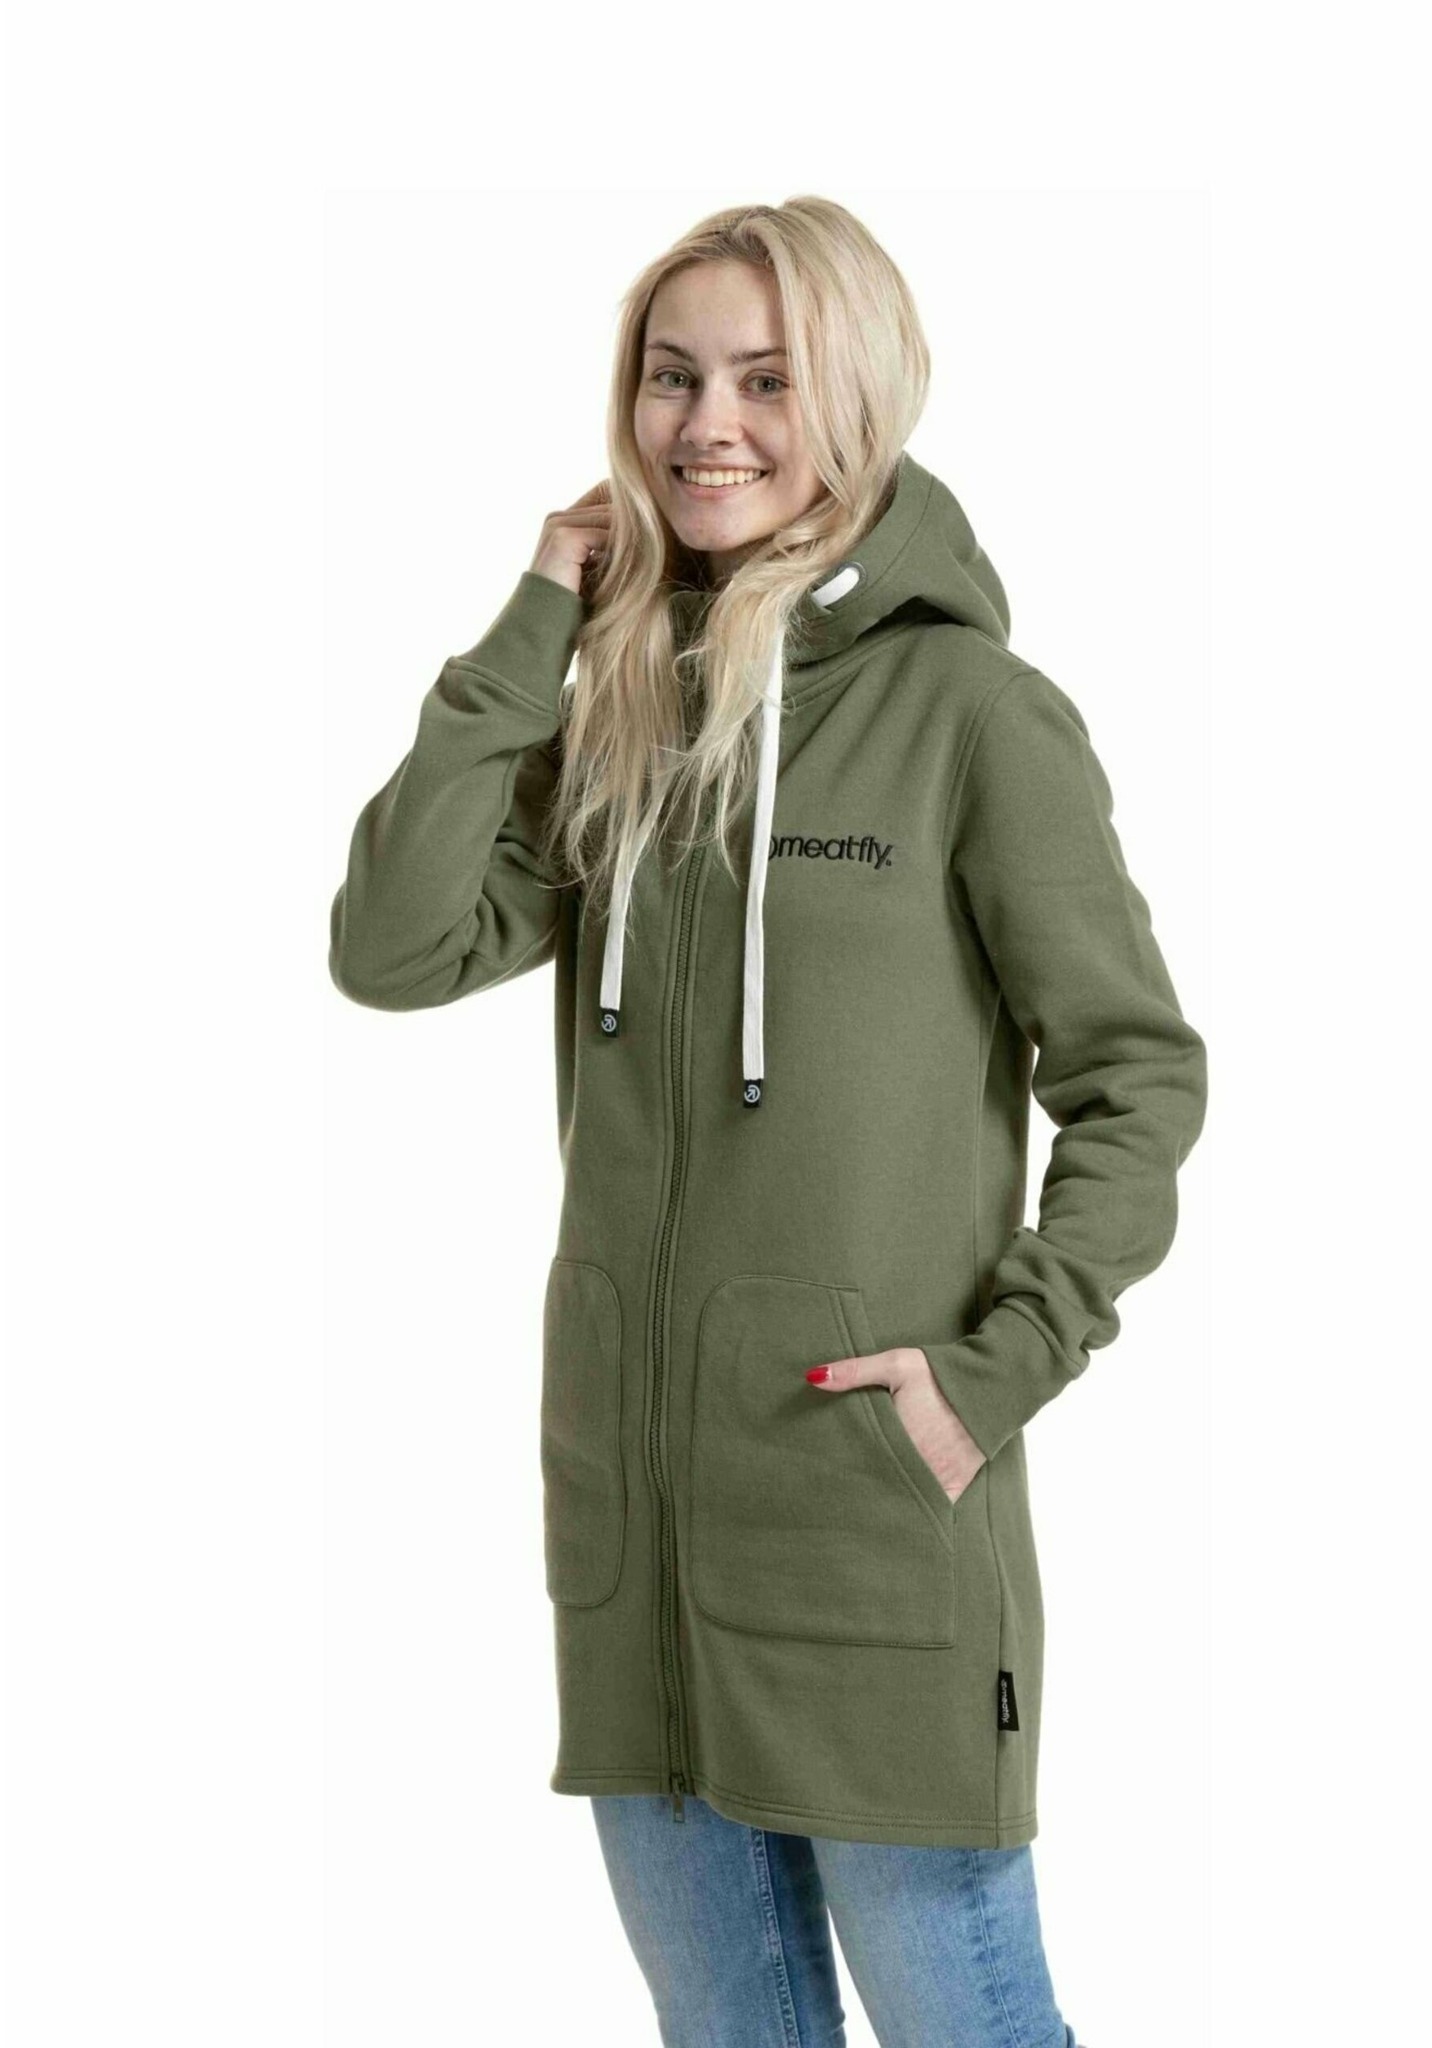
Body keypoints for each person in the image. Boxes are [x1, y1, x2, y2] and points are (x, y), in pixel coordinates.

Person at [329, 195, 1206, 2047]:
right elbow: (392, 947)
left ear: (856, 397)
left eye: (765, 379)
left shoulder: (974, 715)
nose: (705, 424)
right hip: (638, 1532)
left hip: (867, 1513)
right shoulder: (623, 718)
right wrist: (537, 625)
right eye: (672, 377)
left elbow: (1138, 1077)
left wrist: (992, 1377)